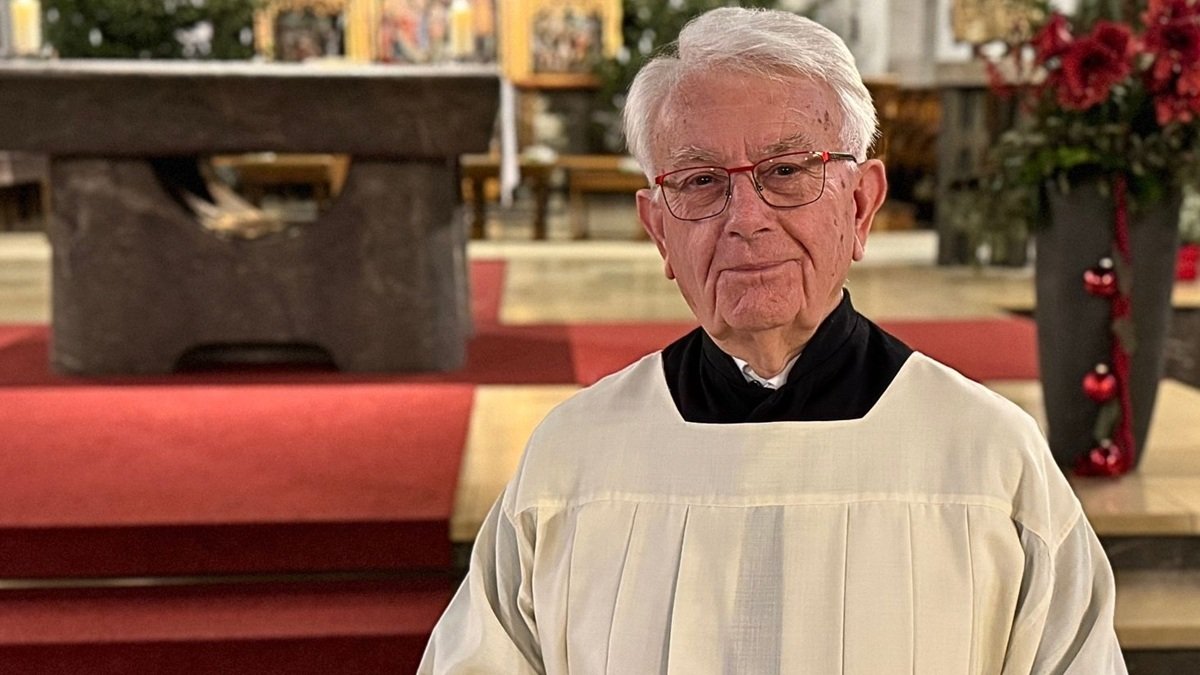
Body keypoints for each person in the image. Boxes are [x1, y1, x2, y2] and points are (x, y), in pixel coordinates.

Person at [419, 8, 1125, 674]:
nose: (745, 218)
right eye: (700, 181)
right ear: (659, 230)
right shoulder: (574, 462)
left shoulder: (987, 459)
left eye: (786, 171)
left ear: (860, 204)